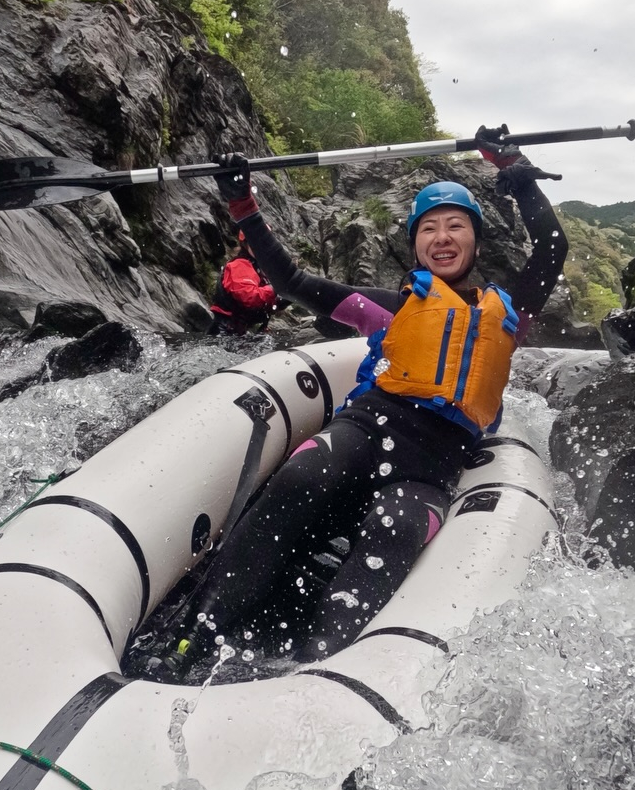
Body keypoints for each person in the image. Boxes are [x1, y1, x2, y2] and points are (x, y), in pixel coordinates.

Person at [171, 134, 567, 673]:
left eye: (456, 226)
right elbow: (291, 281)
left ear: (476, 240)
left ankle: (312, 669)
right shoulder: (388, 307)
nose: (442, 237)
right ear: (415, 244)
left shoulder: (510, 310)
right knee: (301, 476)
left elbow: (551, 248)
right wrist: (243, 206)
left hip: (432, 465)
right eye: (429, 228)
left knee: (397, 529)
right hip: (365, 429)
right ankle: (195, 636)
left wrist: (516, 171)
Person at [210, 230, 278, 335]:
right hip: (225, 333)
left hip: (242, 332)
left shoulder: (260, 266)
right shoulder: (239, 266)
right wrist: (276, 289)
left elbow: (266, 303)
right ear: (245, 244)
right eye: (254, 242)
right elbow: (250, 297)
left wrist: (283, 298)